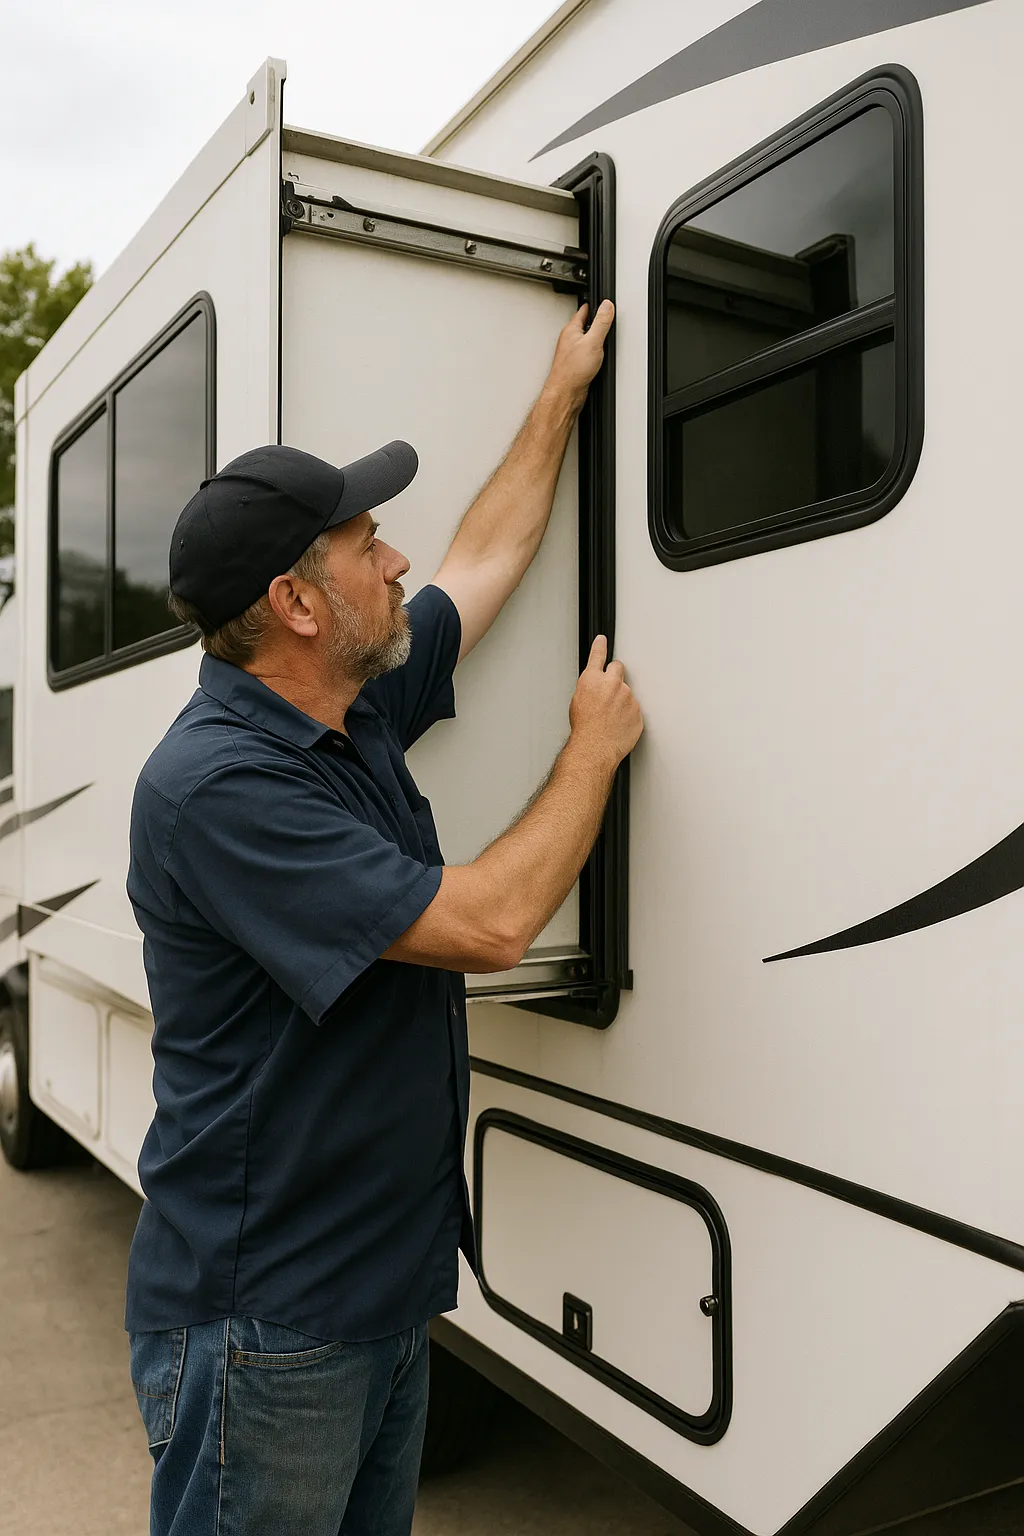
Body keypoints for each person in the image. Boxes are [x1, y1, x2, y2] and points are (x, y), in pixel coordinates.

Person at [125, 297, 640, 1536]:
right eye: (366, 544)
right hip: (271, 1331)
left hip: (377, 1302)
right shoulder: (219, 788)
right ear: (298, 606)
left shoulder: (346, 706)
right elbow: (490, 923)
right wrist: (592, 753)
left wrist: (563, 391)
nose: (395, 560)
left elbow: (485, 557)